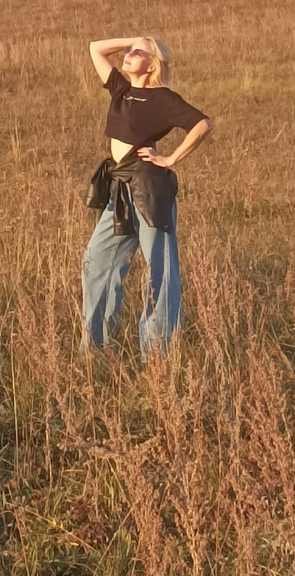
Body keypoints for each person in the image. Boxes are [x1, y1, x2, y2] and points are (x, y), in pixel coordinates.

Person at [82, 35, 212, 359]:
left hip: (150, 189)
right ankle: (97, 350)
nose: (128, 53)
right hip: (120, 189)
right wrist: (135, 37)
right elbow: (95, 48)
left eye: (137, 52)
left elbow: (201, 124)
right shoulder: (121, 89)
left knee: (160, 272)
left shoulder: (163, 99)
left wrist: (171, 159)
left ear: (152, 64)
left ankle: (157, 356)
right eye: (128, 50)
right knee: (96, 262)